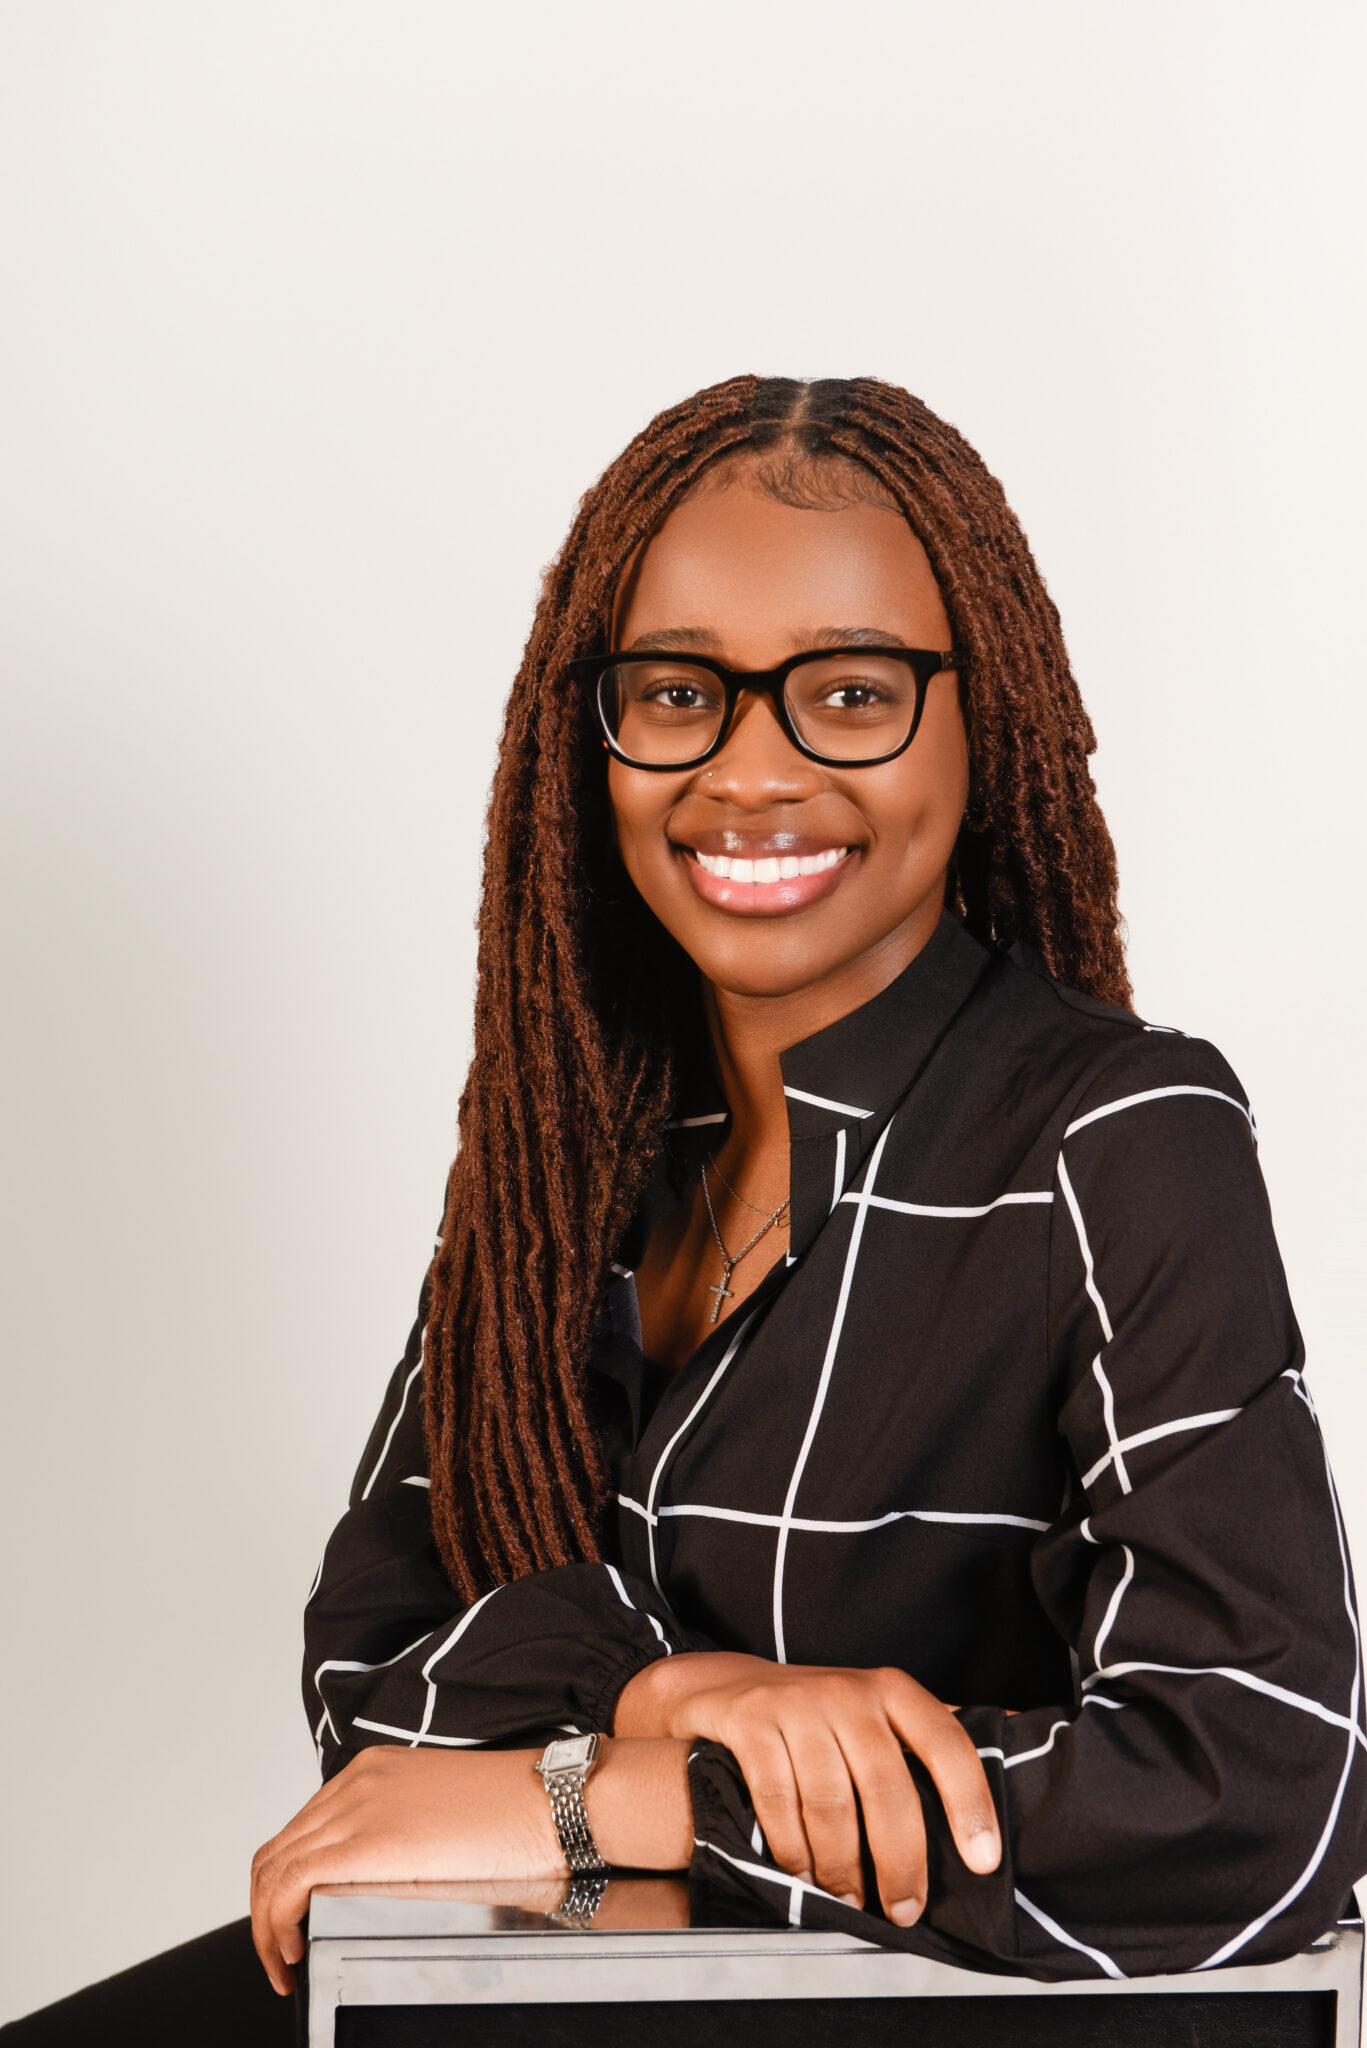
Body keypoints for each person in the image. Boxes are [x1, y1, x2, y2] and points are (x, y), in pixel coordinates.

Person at [8, 375, 1362, 2042]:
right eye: (677, 694)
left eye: (850, 692)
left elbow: (1256, 1779)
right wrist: (663, 1692)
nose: (750, 769)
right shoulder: (569, 1165)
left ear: (984, 717)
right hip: (526, 2004)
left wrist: (628, 1796)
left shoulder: (1117, 1133)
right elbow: (373, 1684)